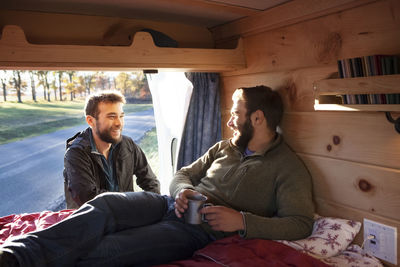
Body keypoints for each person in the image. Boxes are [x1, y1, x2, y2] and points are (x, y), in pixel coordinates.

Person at [0, 85, 315, 267]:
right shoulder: (225, 147)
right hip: (166, 205)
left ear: (257, 119)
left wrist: (243, 221)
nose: (230, 122)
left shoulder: (287, 168)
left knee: (111, 248)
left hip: (196, 232)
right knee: (107, 205)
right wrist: (182, 191)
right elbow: (182, 173)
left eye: (236, 114)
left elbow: (301, 222)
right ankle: (13, 256)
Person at [63, 90, 160, 208]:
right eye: (112, 117)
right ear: (90, 121)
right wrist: (134, 203)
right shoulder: (76, 153)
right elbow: (88, 198)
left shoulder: (128, 144)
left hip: (127, 219)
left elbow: (150, 183)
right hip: (92, 222)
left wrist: (154, 207)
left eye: (121, 116)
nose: (119, 123)